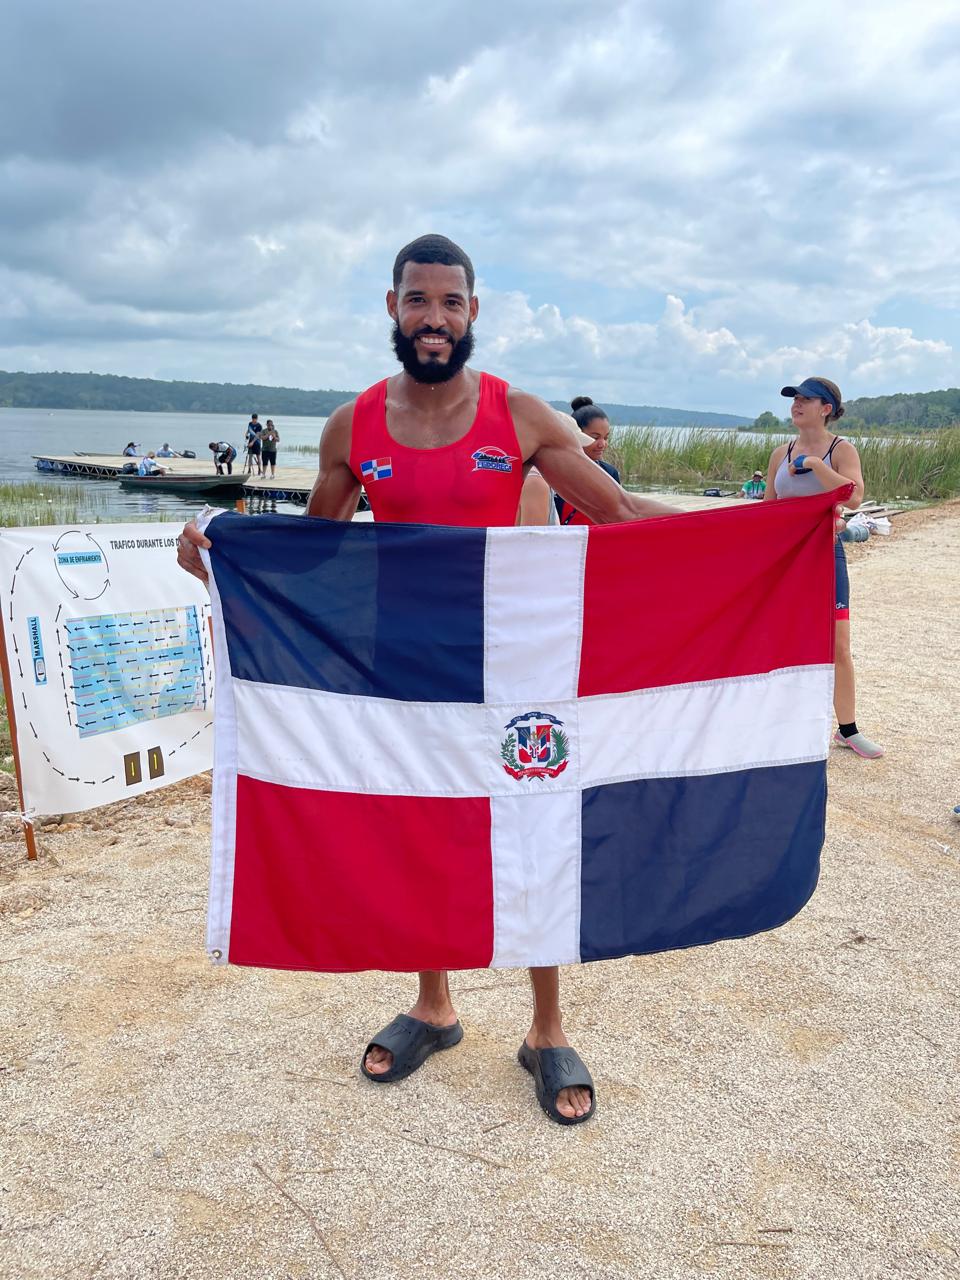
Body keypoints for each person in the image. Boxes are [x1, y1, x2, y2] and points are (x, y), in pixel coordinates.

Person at [179, 234, 680, 1126]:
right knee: (419, 824)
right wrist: (219, 558)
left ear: (473, 312)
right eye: (419, 301)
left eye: (451, 303)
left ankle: (546, 1027)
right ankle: (435, 1005)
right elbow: (312, 552)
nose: (434, 318)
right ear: (393, 307)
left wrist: (770, 531)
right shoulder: (355, 426)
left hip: (511, 660)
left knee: (533, 826)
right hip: (403, 663)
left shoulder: (520, 415)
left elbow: (617, 512)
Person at [764, 377, 883, 759]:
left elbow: (853, 496)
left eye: (806, 399)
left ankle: (847, 730)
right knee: (782, 642)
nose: (796, 404)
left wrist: (816, 464)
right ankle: (780, 726)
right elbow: (768, 510)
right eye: (794, 399)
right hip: (784, 561)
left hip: (825, 556)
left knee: (838, 646)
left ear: (826, 408)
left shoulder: (840, 449)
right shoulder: (780, 453)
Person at [554, 397, 621, 525]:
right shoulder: (552, 472)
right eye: (595, 437)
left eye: (606, 438)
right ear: (575, 435)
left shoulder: (610, 473)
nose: (602, 444)